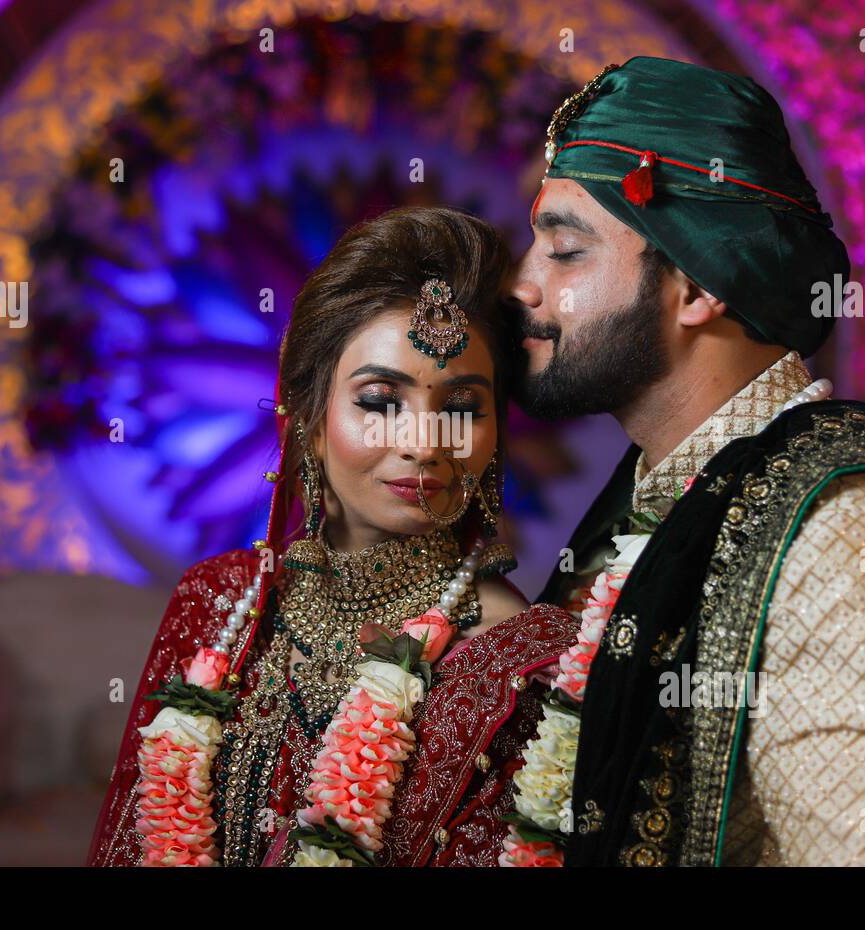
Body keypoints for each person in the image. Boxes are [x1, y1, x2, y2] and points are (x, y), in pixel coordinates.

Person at [502, 56, 865, 866]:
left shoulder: (859, 538)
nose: (524, 286)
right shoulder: (652, 508)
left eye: (565, 251)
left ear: (696, 287)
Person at [87, 206, 576, 867]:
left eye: (461, 408)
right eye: (379, 401)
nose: (423, 444)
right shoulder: (219, 603)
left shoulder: (512, 659)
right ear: (310, 421)